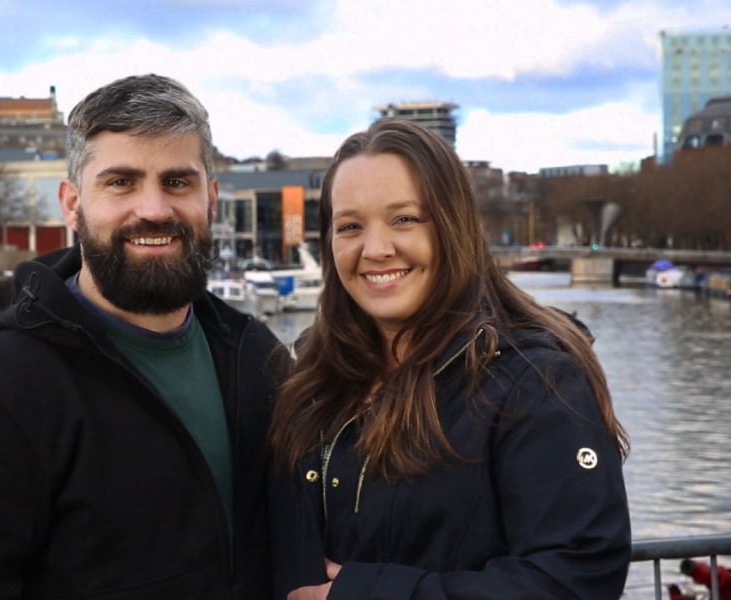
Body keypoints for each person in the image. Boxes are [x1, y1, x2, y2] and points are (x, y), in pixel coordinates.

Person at [0, 74, 289, 598]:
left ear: (210, 199)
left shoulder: (256, 357)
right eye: (121, 182)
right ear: (72, 204)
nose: (154, 209)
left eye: (177, 182)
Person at [269, 119, 631, 599]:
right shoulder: (309, 374)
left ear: (453, 226)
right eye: (350, 226)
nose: (375, 250)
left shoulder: (533, 380)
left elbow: (576, 577)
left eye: (404, 219)